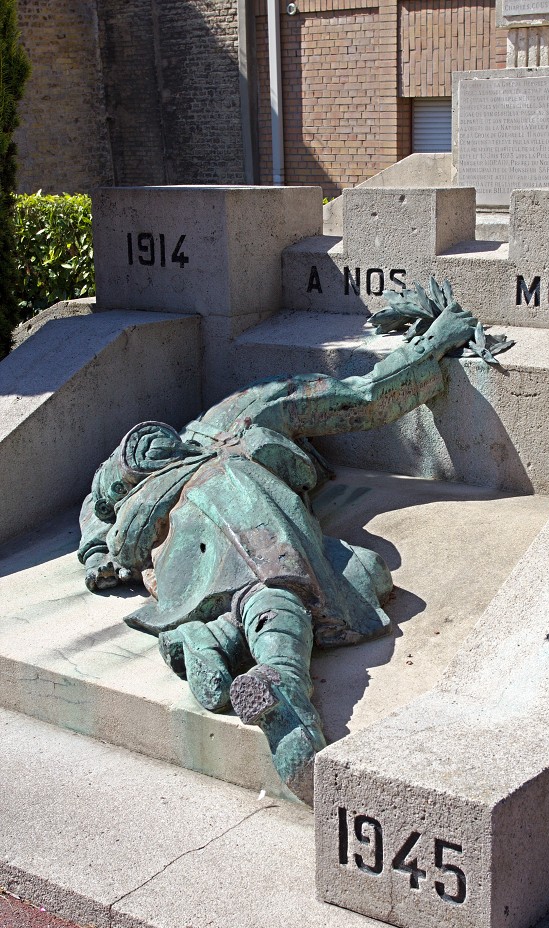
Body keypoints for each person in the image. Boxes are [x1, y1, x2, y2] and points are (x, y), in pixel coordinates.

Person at [78, 304, 480, 802]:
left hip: (181, 565)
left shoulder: (132, 494)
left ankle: (213, 638)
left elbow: (94, 509)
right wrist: (430, 346)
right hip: (247, 520)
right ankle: (285, 690)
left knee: (363, 573)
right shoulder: (241, 413)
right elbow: (364, 397)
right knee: (286, 583)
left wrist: (96, 551)